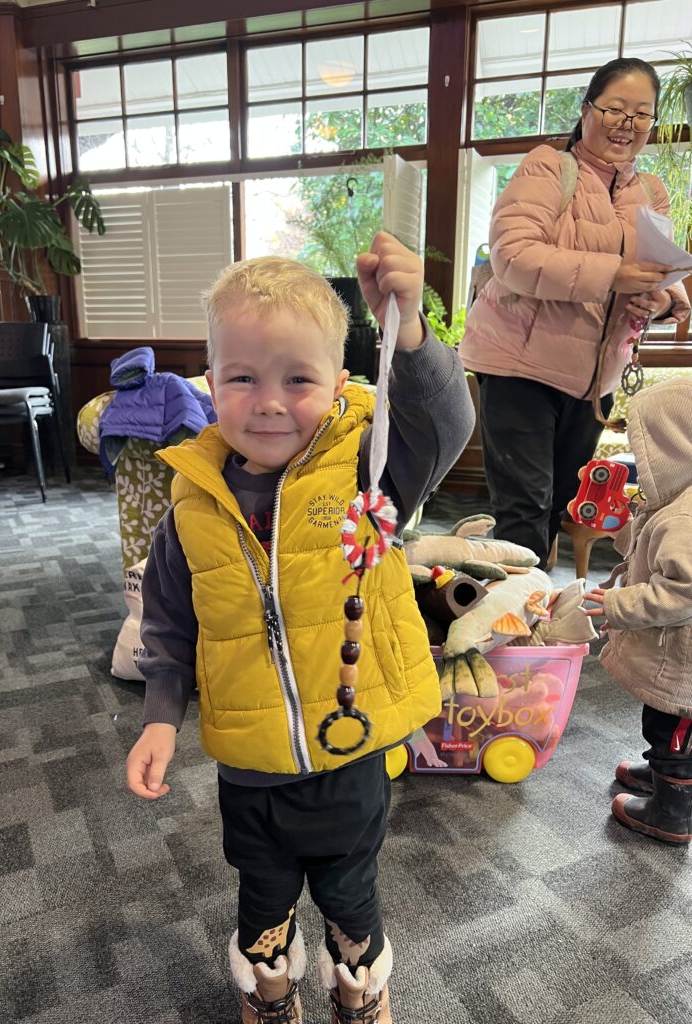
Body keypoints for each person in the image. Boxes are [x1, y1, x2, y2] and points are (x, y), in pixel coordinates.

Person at [125, 232, 475, 1024]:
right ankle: (271, 991)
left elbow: (446, 424)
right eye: (242, 377)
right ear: (210, 381)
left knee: (352, 894)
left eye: (298, 379)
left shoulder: (369, 473)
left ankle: (359, 988)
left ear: (341, 383)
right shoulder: (193, 505)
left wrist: (409, 331)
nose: (270, 401)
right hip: (250, 764)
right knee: (262, 893)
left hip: (349, 753)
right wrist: (159, 718)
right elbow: (169, 625)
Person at [459, 57, 690, 567]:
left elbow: (658, 269)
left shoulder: (651, 192)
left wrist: (660, 299)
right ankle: (517, 614)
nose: (626, 124)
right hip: (520, 365)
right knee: (524, 510)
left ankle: (532, 605)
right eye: (614, 109)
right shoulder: (548, 167)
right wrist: (614, 273)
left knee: (562, 504)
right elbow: (514, 256)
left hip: (592, 381)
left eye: (641, 114)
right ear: (587, 110)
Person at [583, 379, 692, 845]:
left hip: (684, 663)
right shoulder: (678, 503)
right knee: (664, 723)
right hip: (675, 652)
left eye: (647, 447)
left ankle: (673, 811)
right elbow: (654, 549)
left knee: (675, 729)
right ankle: (663, 772)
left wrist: (617, 604)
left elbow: (683, 591)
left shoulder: (686, 517)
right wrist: (618, 527)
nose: (641, 462)